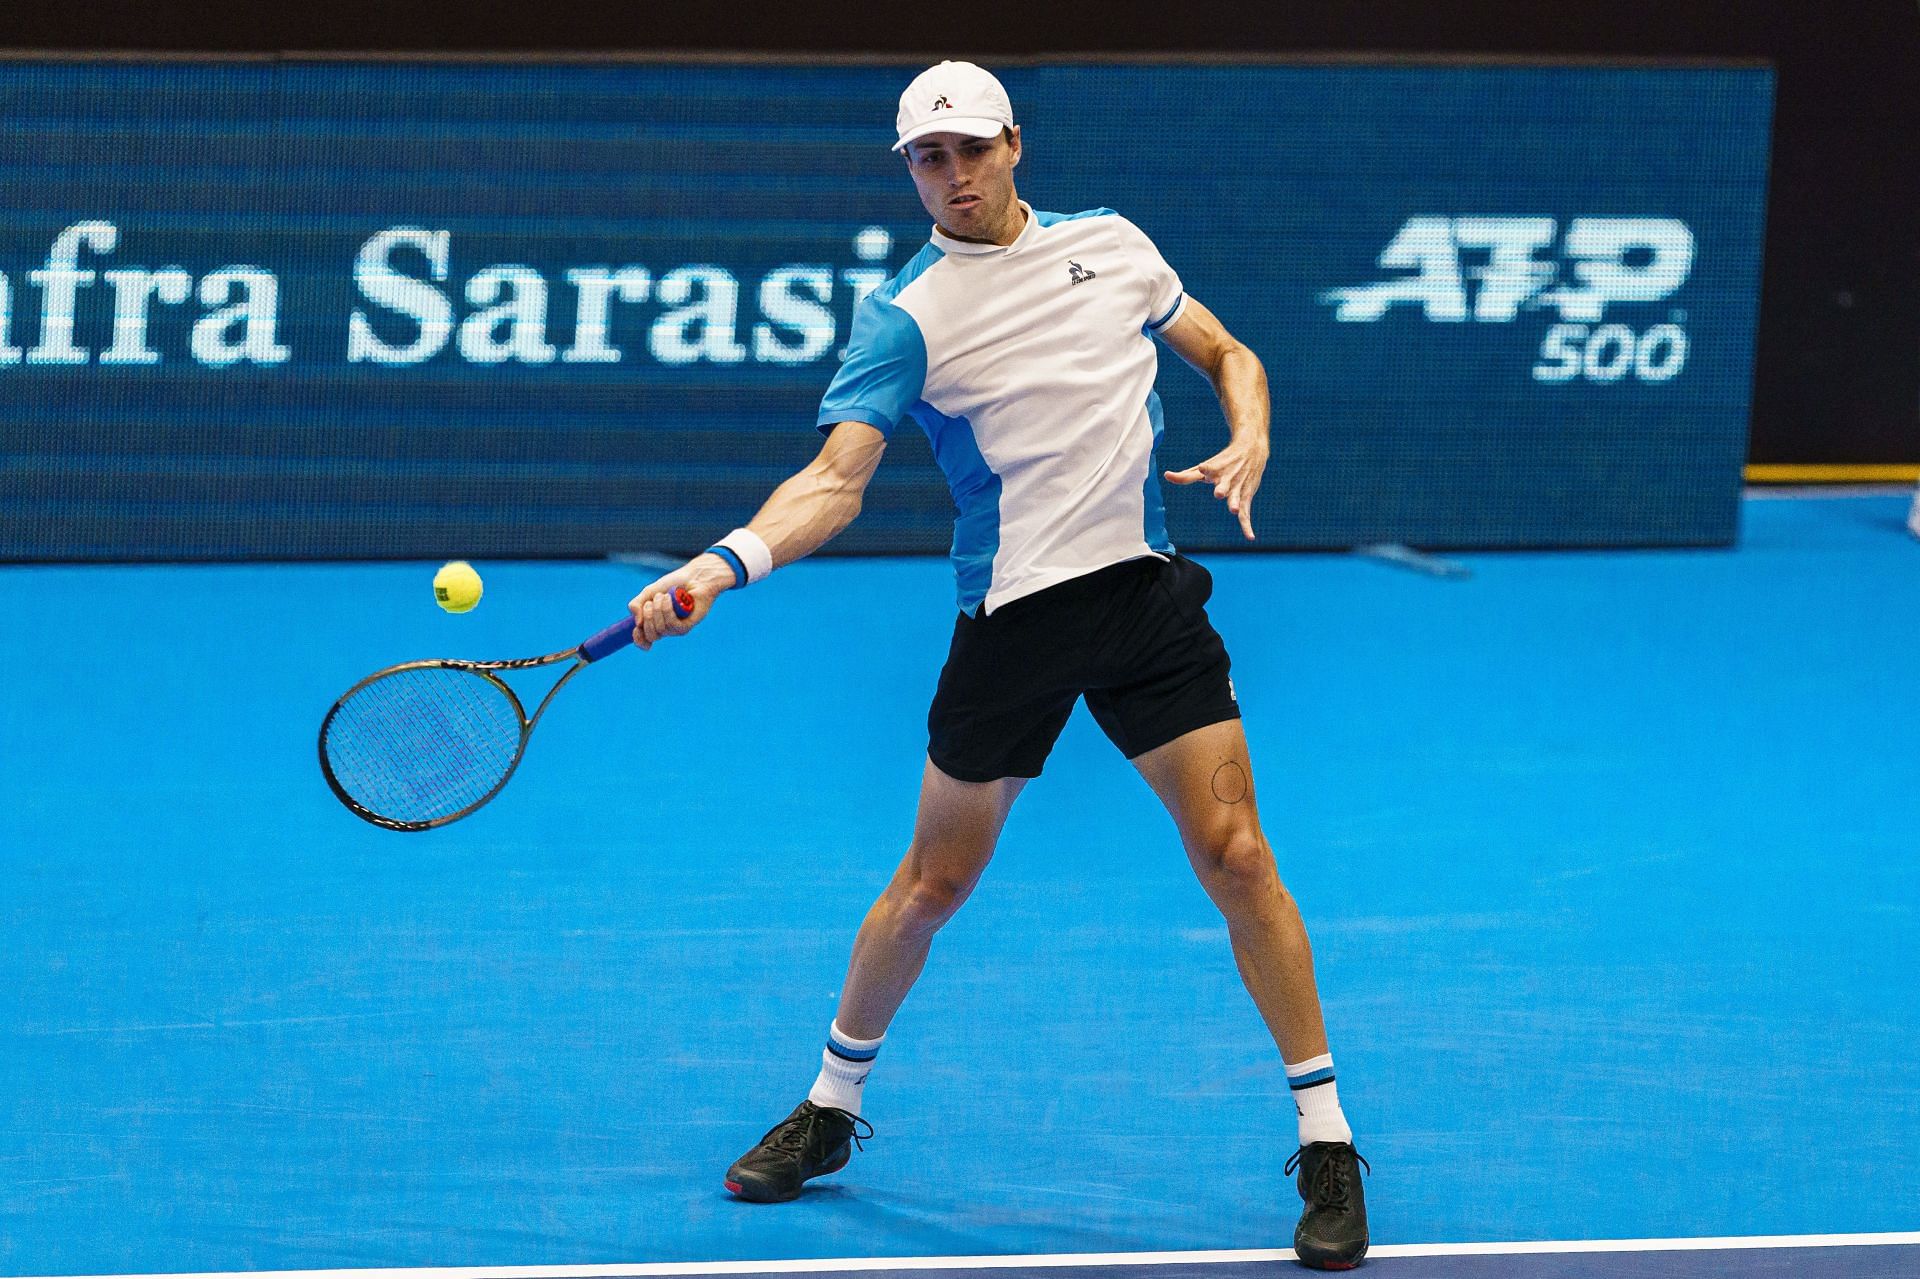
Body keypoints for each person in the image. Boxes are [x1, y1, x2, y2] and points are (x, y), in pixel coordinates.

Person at [626, 60, 1369, 1270]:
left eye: (972, 148)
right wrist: (722, 565)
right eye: (930, 157)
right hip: (1011, 625)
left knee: (1239, 855)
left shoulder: (1115, 245)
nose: (955, 174)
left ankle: (1328, 1141)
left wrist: (1253, 430)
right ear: (909, 169)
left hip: (1145, 603)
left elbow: (1228, 351)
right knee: (931, 885)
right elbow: (835, 481)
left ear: (1015, 143)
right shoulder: (906, 315)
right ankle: (827, 1109)